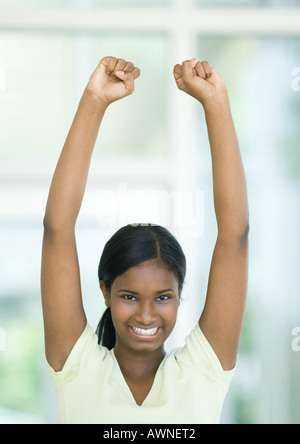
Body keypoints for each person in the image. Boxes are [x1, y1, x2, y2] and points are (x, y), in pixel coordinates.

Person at [41, 56, 249, 424]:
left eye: (163, 297)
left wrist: (216, 104)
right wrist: (94, 101)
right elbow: (57, 230)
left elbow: (235, 237)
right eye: (129, 296)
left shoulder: (204, 372)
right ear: (105, 291)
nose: (147, 314)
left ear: (180, 293)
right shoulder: (78, 369)